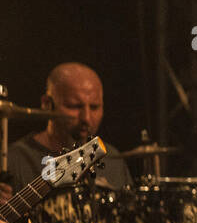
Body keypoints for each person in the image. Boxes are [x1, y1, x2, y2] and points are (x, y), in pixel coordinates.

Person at [0, 62, 132, 197]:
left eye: (94, 107)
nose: (86, 118)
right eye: (74, 106)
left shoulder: (112, 158)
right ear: (47, 104)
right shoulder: (13, 161)